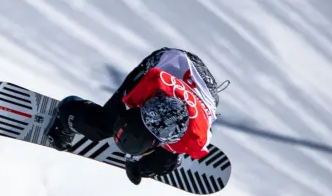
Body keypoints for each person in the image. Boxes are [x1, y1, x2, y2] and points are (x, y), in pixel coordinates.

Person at [44, 47, 226, 185]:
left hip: (202, 90)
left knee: (162, 163)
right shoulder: (147, 87)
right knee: (102, 126)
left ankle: (149, 156)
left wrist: (138, 159)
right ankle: (65, 114)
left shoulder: (194, 139)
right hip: (172, 62)